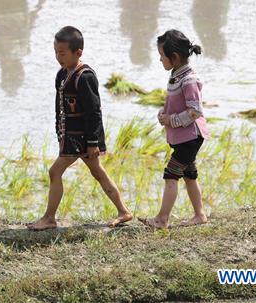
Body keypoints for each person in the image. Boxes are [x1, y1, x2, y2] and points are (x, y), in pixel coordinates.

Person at [28, 27, 133, 230]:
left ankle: (49, 218)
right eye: (56, 52)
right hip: (71, 136)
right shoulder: (61, 74)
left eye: (63, 53)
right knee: (98, 172)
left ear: (78, 52)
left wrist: (93, 142)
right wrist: (60, 133)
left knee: (54, 171)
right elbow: (59, 108)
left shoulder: (85, 76)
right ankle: (124, 211)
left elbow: (94, 111)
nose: (58, 57)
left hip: (83, 137)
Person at [141, 30, 210, 229]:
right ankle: (200, 215)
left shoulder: (189, 79)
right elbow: (174, 101)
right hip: (185, 137)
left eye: (162, 56)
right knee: (189, 174)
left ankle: (162, 219)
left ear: (175, 57)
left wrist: (170, 120)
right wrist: (164, 113)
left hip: (191, 137)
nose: (159, 59)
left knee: (171, 175)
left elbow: (195, 110)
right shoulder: (176, 75)